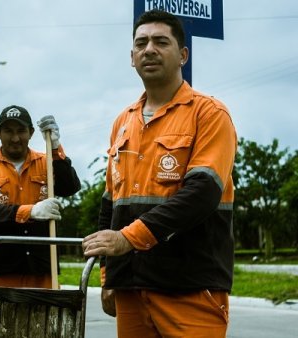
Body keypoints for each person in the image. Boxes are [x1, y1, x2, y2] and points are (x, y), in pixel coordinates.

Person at [82, 9, 237, 338]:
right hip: (130, 289)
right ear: (132, 57)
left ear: (183, 55)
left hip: (190, 287)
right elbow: (111, 204)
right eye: (141, 43)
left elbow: (202, 194)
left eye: (160, 41)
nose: (149, 49)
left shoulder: (209, 114)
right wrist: (109, 277)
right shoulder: (122, 122)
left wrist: (128, 239)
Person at [0, 105, 81, 288]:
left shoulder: (47, 162)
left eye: (21, 131)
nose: (15, 138)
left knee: (43, 316)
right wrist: (31, 211)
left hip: (42, 267)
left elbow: (69, 187)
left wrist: (55, 149)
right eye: (8, 131)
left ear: (31, 132)